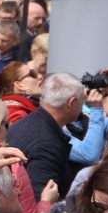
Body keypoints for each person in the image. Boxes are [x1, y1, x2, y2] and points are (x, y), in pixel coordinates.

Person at [6, 72, 84, 200]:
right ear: (72, 102)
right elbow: (42, 201)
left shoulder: (26, 123)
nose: (82, 106)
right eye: (82, 100)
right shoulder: (45, 144)